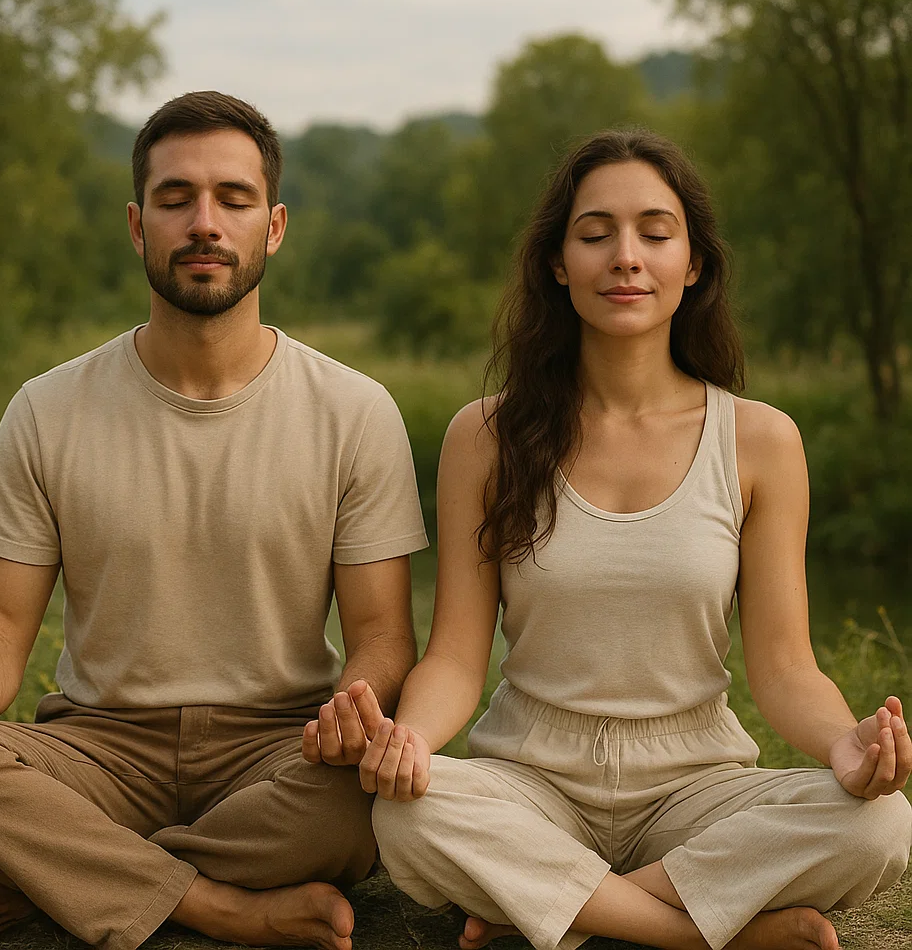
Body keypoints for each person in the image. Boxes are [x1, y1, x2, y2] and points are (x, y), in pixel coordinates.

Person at [0, 91, 428, 950]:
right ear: (139, 227)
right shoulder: (47, 409)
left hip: (280, 751)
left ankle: (67, 873)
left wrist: (353, 711)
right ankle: (217, 905)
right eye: (176, 200)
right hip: (100, 749)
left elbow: (384, 638)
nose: (204, 223)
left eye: (233, 200)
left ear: (274, 226)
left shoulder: (355, 412)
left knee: (367, 796)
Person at [364, 129, 912, 950]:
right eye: (595, 234)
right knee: (410, 813)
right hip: (531, 780)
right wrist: (411, 737)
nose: (626, 257)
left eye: (655, 233)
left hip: (695, 788)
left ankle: (560, 908)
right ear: (557, 262)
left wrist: (845, 746)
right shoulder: (485, 437)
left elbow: (784, 665)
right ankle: (695, 930)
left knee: (880, 825)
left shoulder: (760, 441)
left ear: (693, 264)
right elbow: (454, 656)